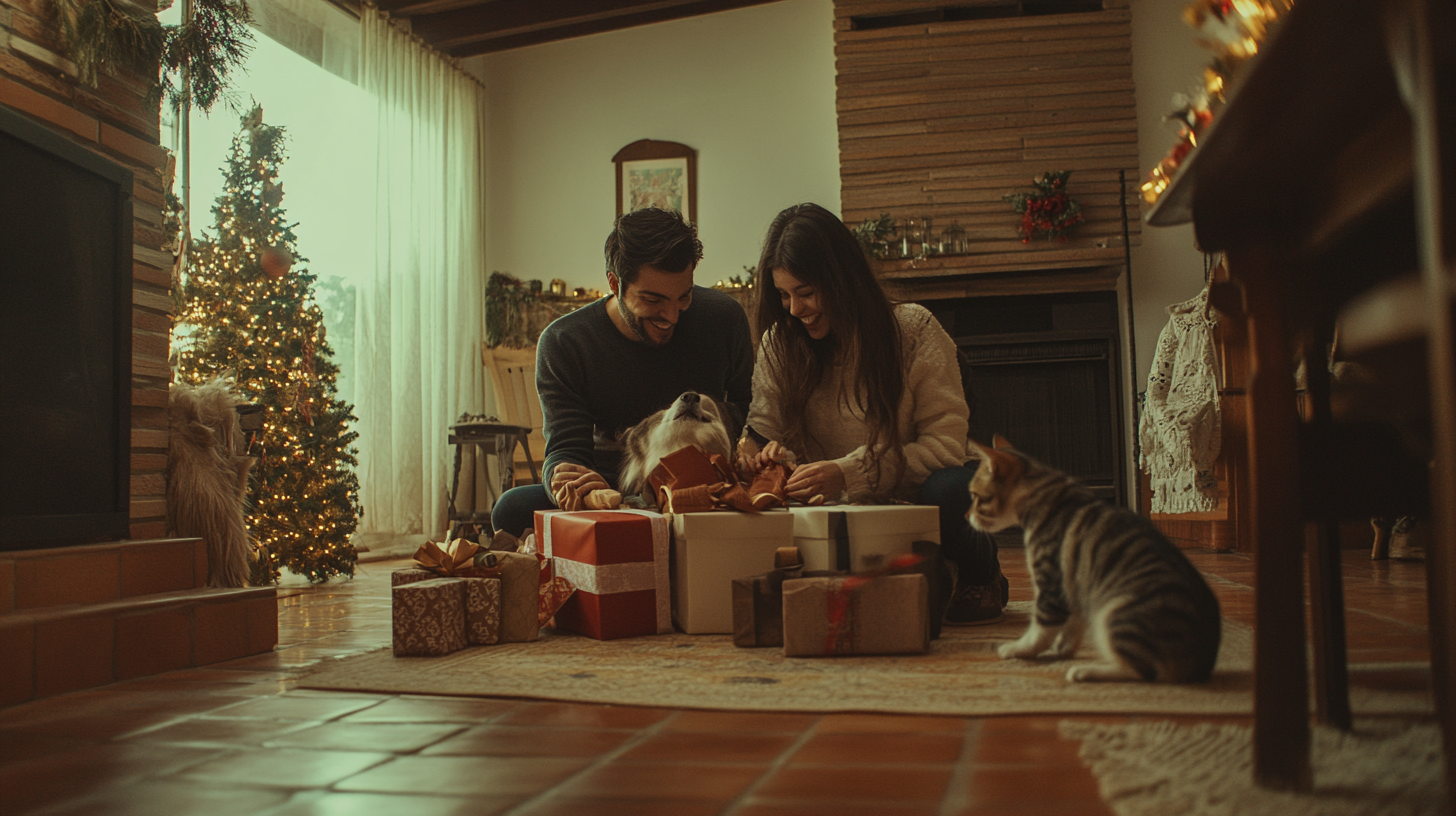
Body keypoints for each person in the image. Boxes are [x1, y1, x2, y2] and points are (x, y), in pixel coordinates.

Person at [738, 202, 1007, 625]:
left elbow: (946, 449)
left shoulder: (913, 329)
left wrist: (847, 473)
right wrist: (756, 454)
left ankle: (982, 573)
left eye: (806, 293)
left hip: (916, 494)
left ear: (842, 280)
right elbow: (765, 431)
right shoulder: (781, 342)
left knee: (953, 489)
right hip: (834, 515)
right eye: (784, 295)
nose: (794, 309)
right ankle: (932, 574)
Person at [490, 207, 754, 538]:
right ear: (615, 283)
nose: (671, 315)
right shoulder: (565, 341)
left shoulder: (724, 317)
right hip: (613, 481)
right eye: (653, 300)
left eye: (683, 297)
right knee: (511, 509)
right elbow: (567, 447)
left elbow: (748, 410)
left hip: (706, 480)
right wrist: (572, 483)